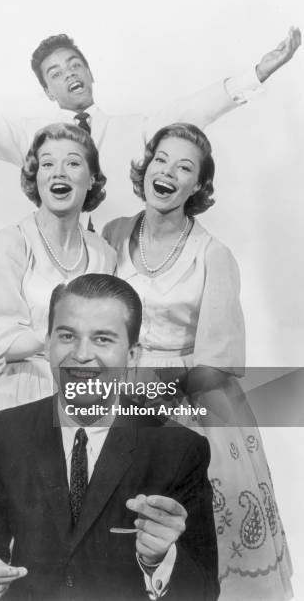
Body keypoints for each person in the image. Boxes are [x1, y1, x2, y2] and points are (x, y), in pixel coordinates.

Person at [0, 273, 219, 601]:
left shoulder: (178, 448)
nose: (81, 355)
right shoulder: (6, 432)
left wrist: (161, 561)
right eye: (67, 336)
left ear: (133, 355)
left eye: (103, 339)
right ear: (48, 342)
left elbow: (204, 589)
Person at [102, 122, 292, 600]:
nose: (168, 172)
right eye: (161, 160)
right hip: (111, 398)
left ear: (198, 186)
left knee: (186, 546)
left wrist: (146, 399)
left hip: (187, 408)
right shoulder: (113, 233)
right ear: (146, 168)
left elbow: (216, 365)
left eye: (184, 167)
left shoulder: (215, 255)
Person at [0, 29, 301, 227]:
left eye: (75, 65)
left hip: (123, 263)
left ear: (90, 72)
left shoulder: (137, 130)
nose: (70, 75)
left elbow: (195, 108)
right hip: (56, 264)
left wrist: (256, 73)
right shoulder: (31, 134)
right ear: (48, 92)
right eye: (57, 73)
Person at [0, 123, 116, 521]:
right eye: (47, 163)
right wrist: (65, 336)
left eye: (73, 163)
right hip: (19, 392)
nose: (59, 173)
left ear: (92, 178)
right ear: (34, 176)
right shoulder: (11, 241)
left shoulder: (103, 253)